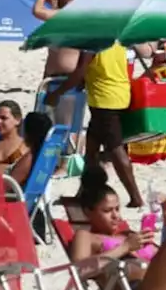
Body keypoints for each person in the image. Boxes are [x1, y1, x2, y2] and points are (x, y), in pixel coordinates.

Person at [46, 42, 143, 207]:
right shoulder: (115, 40)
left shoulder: (93, 42)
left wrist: (57, 93)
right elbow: (101, 68)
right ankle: (84, 193)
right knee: (91, 151)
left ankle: (136, 197)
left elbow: (80, 71)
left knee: (115, 149)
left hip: (105, 101)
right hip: (117, 95)